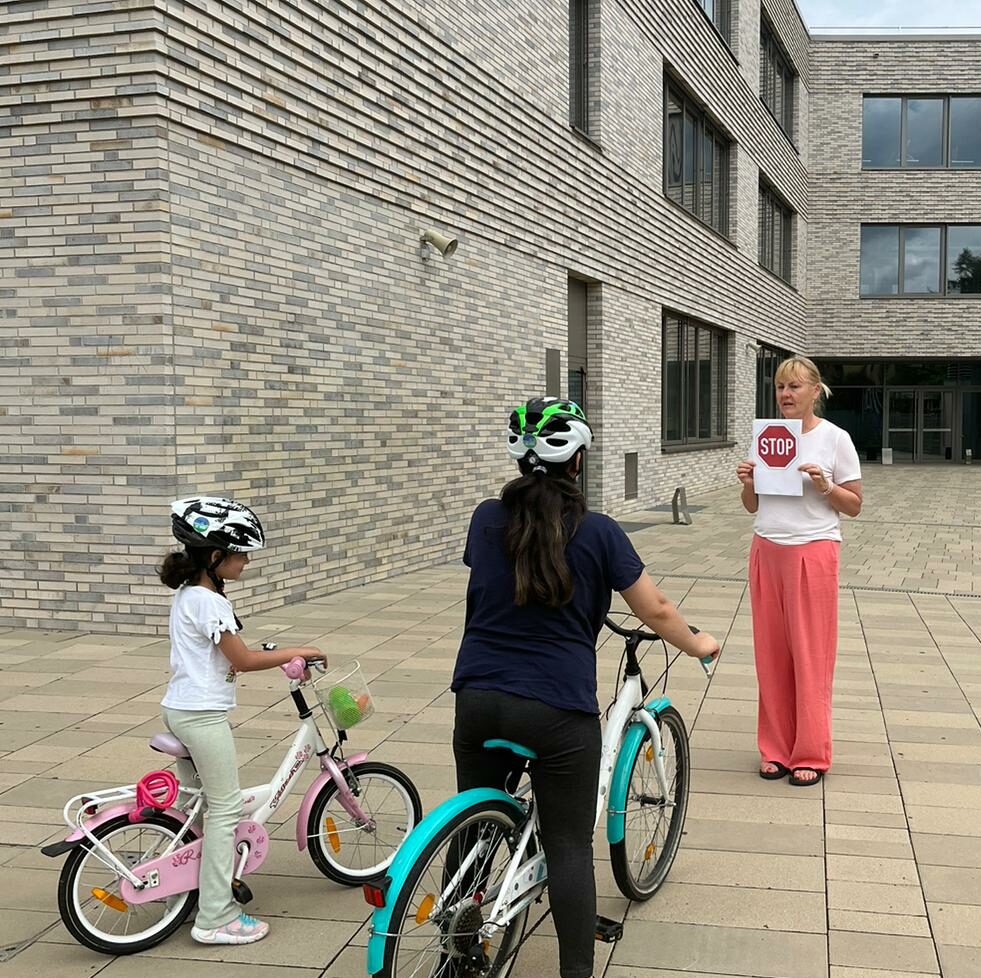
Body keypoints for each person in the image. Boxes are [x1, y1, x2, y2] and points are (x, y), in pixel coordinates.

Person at [451, 397, 720, 978]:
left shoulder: (484, 518)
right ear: (578, 463)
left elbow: (497, 582)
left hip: (475, 698)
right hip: (554, 711)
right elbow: (658, 609)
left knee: (470, 826)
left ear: (520, 463)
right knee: (568, 845)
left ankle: (458, 928)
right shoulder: (598, 532)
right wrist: (700, 643)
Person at [159, 496, 324, 945]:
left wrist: (276, 652)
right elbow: (244, 660)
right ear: (216, 557)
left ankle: (199, 882)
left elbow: (230, 654)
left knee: (206, 806)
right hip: (201, 716)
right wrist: (299, 651)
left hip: (179, 708)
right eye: (241, 553)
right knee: (226, 809)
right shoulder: (210, 603)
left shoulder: (191, 594)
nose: (246, 561)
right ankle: (215, 916)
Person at [736, 357, 863, 787]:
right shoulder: (769, 437)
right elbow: (753, 507)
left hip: (813, 551)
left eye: (794, 386)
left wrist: (825, 485)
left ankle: (810, 751)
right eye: (779, 387)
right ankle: (774, 748)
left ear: (815, 391)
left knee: (809, 655)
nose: (786, 395)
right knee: (770, 654)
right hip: (766, 548)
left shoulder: (835, 439)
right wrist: (748, 482)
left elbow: (855, 505)